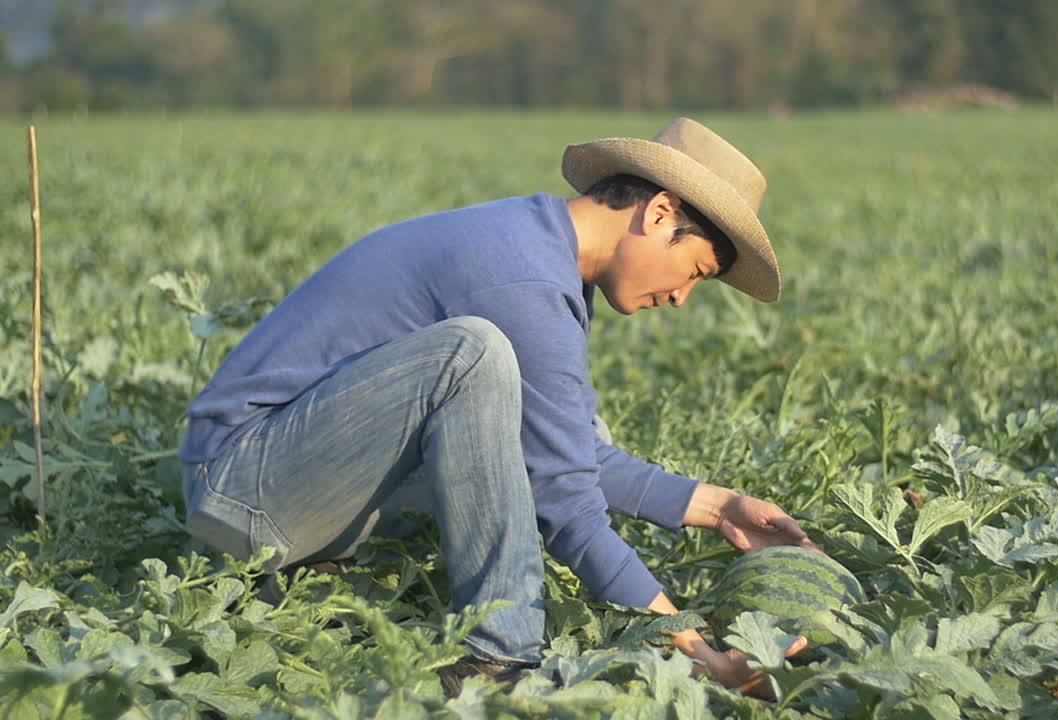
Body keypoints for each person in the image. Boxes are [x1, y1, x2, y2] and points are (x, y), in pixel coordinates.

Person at [178, 117, 817, 698]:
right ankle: (499, 655)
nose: (681, 298)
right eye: (695, 271)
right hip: (244, 489)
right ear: (657, 213)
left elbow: (571, 456)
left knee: (550, 413)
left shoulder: (539, 248)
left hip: (294, 480)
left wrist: (717, 506)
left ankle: (328, 565)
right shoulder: (525, 280)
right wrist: (695, 650)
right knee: (475, 352)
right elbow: (566, 501)